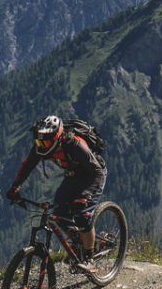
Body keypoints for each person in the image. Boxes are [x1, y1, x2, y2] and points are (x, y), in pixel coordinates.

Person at [6, 115, 106, 268]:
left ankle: (89, 259)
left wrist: (85, 196)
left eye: (45, 142)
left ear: (57, 138)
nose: (41, 146)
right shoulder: (42, 147)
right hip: (73, 176)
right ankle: (79, 243)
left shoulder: (76, 145)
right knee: (59, 215)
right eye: (38, 142)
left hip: (92, 176)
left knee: (82, 216)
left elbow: (98, 173)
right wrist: (15, 186)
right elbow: (28, 165)